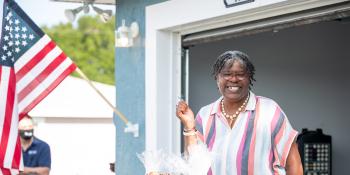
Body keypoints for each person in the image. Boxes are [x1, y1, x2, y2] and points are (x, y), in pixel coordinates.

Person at [176, 50, 303, 174]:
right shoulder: (205, 114)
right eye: (226, 74)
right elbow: (193, 164)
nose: (234, 79)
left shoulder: (269, 110)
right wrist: (189, 125)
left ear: (249, 78)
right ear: (217, 78)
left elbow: (293, 164)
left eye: (240, 74)